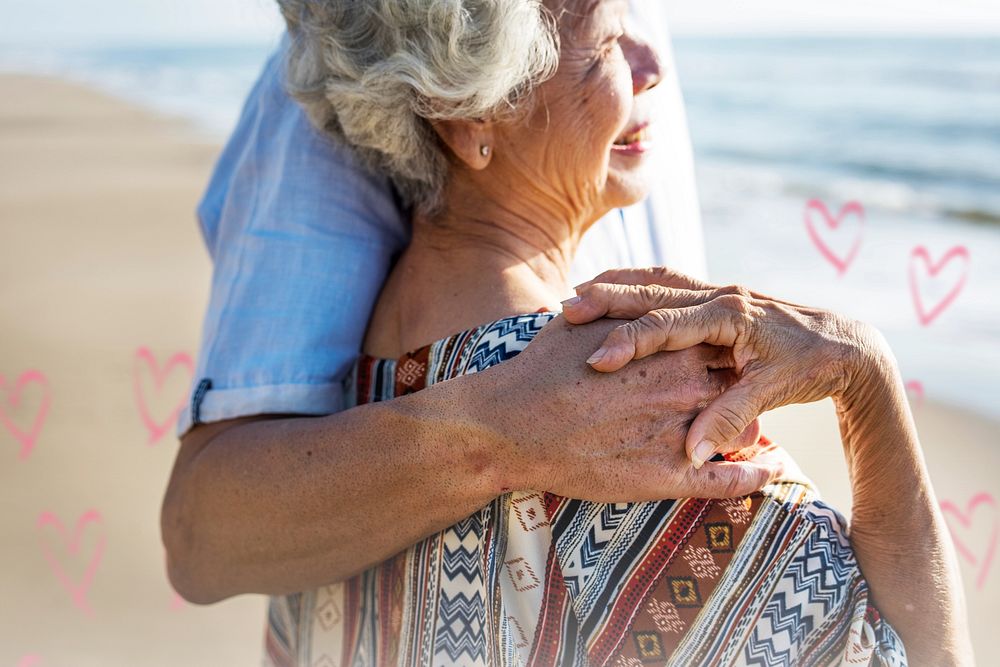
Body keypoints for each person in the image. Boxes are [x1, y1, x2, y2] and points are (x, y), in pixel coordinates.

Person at [162, 0, 972, 665]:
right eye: (613, 44)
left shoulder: (360, 396)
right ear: (468, 116)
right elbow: (921, 655)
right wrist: (864, 374)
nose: (655, 69)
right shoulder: (624, 421)